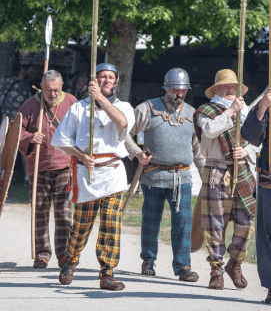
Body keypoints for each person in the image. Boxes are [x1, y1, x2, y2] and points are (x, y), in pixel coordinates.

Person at [51, 63, 135, 291]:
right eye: (102, 77)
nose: (106, 80)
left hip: (113, 174)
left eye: (110, 77)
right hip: (86, 174)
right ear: (94, 80)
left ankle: (107, 273)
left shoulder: (124, 107)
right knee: (81, 226)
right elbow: (61, 140)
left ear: (116, 81)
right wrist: (81, 155)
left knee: (111, 223)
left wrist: (100, 99)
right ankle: (70, 261)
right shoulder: (79, 108)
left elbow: (122, 123)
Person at [124, 68, 205, 282]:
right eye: (176, 91)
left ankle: (183, 266)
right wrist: (138, 153)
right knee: (151, 221)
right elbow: (125, 135)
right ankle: (148, 261)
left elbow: (198, 151)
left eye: (183, 91)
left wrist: (207, 177)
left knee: (183, 223)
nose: (179, 95)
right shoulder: (147, 109)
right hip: (153, 176)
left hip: (182, 178)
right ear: (166, 88)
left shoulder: (192, 113)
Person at [193, 69, 256, 290]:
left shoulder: (245, 110)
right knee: (214, 224)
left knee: (246, 222)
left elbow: (257, 139)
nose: (231, 90)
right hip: (216, 170)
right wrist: (230, 111)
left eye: (234, 87)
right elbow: (210, 131)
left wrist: (246, 151)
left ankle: (234, 263)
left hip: (242, 170)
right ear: (216, 89)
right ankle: (216, 270)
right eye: (226, 87)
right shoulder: (205, 110)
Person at [17, 70, 77, 268]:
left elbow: (81, 128)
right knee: (40, 211)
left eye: (56, 90)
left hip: (64, 165)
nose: (53, 94)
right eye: (49, 90)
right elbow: (16, 132)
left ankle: (64, 254)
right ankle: (42, 253)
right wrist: (29, 137)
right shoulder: (29, 105)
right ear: (41, 87)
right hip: (38, 165)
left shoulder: (71, 102)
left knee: (64, 212)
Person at [241, 87, 271, 304]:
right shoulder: (267, 105)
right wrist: (262, 106)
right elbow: (249, 136)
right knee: (267, 238)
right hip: (268, 181)